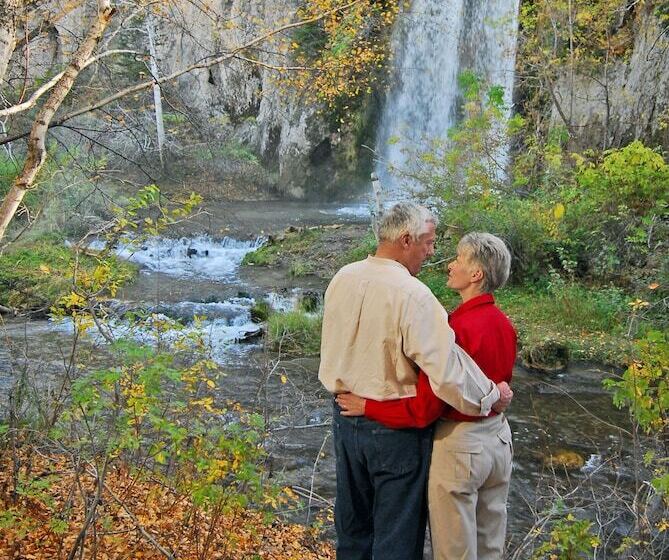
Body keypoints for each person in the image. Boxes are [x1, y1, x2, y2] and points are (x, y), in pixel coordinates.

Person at [318, 204, 512, 560]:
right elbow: (448, 374)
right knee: (397, 541)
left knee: (353, 531)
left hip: (344, 418)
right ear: (405, 240)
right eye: (428, 242)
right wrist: (490, 397)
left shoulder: (342, 277)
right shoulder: (415, 295)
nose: (433, 252)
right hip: (395, 431)